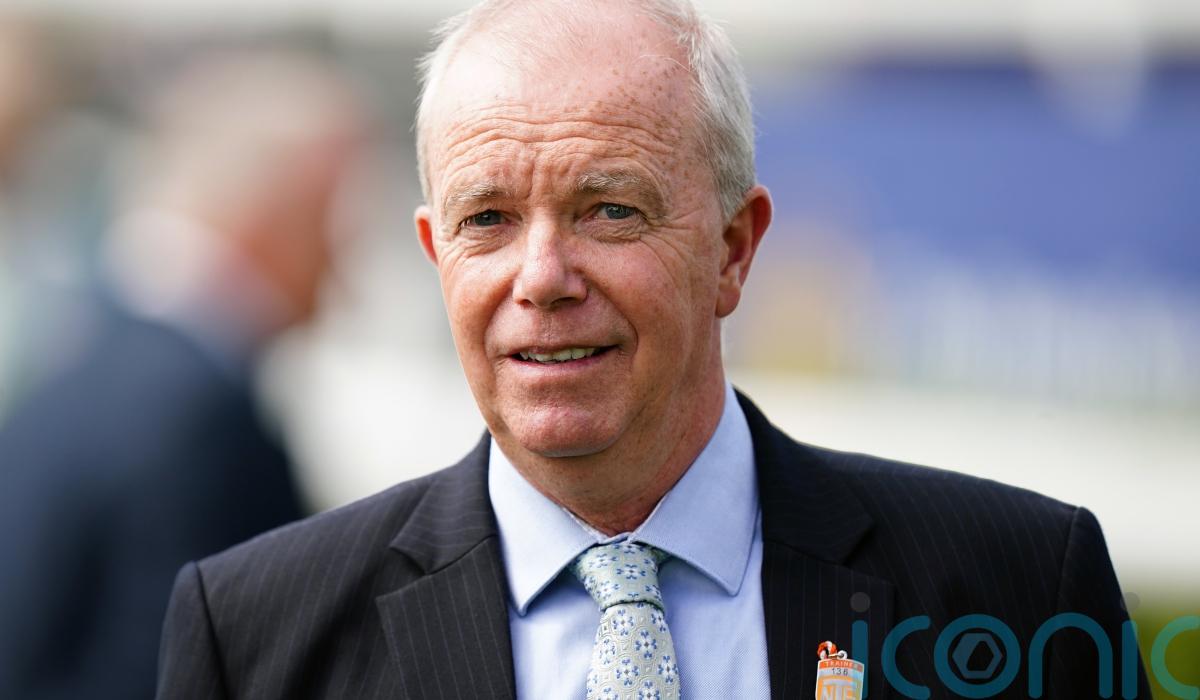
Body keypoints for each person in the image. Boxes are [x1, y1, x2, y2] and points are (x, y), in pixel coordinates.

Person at [156, 2, 1150, 699]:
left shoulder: (1018, 589)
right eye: (488, 219)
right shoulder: (254, 636)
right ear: (434, 256)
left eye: (610, 209)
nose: (542, 276)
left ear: (733, 249)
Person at [0, 53, 365, 699]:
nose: (343, 258)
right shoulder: (195, 417)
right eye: (330, 216)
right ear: (276, 210)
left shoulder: (80, 357)